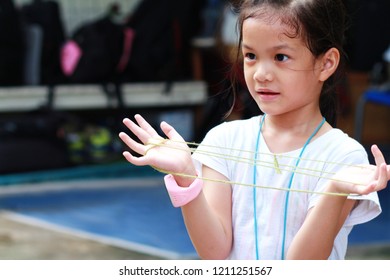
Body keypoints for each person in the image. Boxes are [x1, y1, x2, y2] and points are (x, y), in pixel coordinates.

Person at [119, 0, 390, 260]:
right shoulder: (223, 139)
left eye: (280, 56)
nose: (261, 73)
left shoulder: (343, 156)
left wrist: (335, 189)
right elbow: (214, 251)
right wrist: (187, 178)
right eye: (251, 56)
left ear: (326, 63)